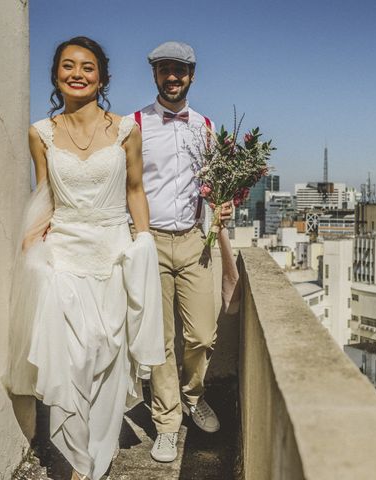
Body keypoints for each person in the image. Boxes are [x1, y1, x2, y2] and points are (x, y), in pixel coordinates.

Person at [3, 36, 165, 480]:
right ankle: (77, 461)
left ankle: (98, 452)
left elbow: (135, 190)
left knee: (109, 356)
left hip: (113, 251)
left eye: (88, 67)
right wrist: (32, 242)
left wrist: (144, 240)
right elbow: (46, 194)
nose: (77, 73)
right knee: (72, 357)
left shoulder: (126, 132)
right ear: (56, 74)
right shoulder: (41, 132)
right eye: (68, 66)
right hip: (65, 254)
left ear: (102, 76)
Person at [130, 41, 234, 463]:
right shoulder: (133, 124)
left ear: (193, 75)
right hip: (149, 239)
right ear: (154, 74)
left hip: (194, 240)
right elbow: (124, 186)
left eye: (181, 70)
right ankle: (167, 422)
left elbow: (214, 187)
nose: (172, 77)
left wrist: (224, 203)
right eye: (164, 69)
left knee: (203, 334)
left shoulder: (206, 127)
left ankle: (193, 395)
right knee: (161, 340)